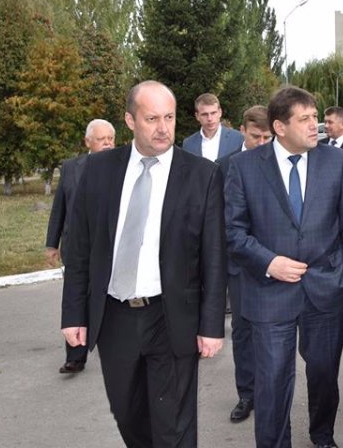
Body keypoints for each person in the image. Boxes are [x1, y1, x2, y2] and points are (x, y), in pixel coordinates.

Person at [61, 81, 227, 447]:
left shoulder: (201, 175)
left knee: (173, 425)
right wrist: (73, 314)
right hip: (114, 317)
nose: (163, 128)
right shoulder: (99, 170)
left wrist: (212, 325)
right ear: (130, 120)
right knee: (128, 414)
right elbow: (79, 249)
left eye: (169, 117)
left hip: (171, 317)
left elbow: (215, 256)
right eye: (152, 119)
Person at [225, 86, 343, 448]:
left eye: (315, 117)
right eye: (304, 119)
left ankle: (322, 436)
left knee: (324, 375)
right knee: (272, 382)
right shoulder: (243, 167)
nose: (314, 125)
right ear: (279, 127)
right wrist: (269, 262)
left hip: (326, 290)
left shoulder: (335, 162)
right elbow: (232, 231)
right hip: (269, 293)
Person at [45, 118, 116, 374]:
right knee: (76, 298)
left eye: (111, 139)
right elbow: (59, 208)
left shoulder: (123, 167)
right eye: (101, 139)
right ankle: (75, 356)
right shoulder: (71, 168)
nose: (107, 144)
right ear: (88, 142)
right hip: (76, 246)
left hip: (110, 247)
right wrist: (52, 244)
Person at [220, 105, 272, 424]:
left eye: (267, 137)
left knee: (274, 331)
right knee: (242, 332)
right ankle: (247, 394)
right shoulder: (223, 166)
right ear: (242, 130)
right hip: (239, 266)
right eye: (256, 137)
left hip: (276, 264)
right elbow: (216, 219)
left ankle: (272, 391)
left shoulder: (282, 162)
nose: (262, 143)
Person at [182, 92, 244, 161]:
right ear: (197, 116)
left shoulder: (238, 138)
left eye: (213, 113)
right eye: (204, 114)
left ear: (220, 112)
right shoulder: (188, 144)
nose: (210, 118)